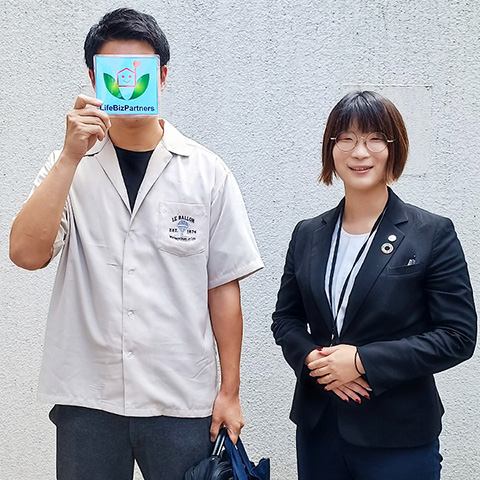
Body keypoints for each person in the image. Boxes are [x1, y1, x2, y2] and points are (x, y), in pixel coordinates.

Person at [9, 8, 263, 480]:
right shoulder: (69, 166)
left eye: (140, 70)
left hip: (180, 397)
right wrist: (69, 157)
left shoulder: (205, 171)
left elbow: (223, 285)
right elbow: (26, 254)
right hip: (89, 396)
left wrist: (230, 390)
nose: (127, 84)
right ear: (94, 78)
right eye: (113, 71)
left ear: (161, 76)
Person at [272, 90, 477, 480]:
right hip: (320, 429)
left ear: (393, 148)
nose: (360, 152)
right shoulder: (307, 234)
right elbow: (285, 320)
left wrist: (361, 361)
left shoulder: (431, 233)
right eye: (346, 139)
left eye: (374, 139)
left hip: (398, 436)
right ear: (331, 148)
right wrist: (315, 359)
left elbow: (457, 336)